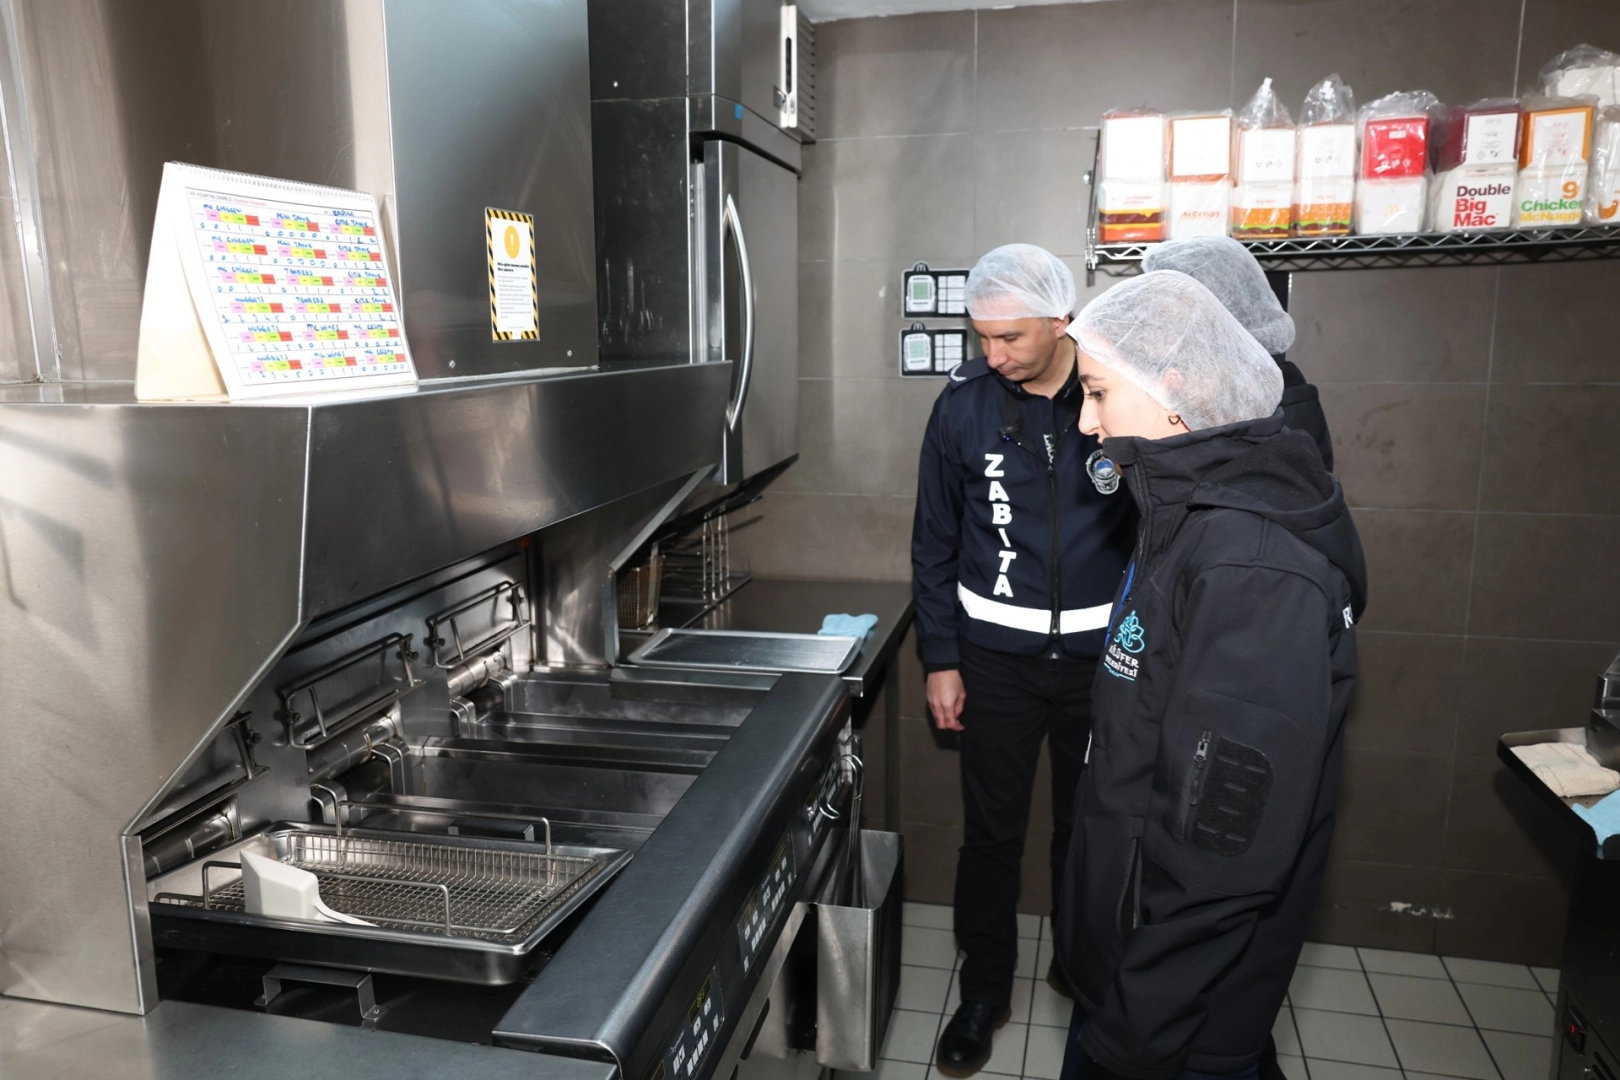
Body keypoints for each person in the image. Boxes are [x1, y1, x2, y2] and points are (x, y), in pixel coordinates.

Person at [1054, 271, 1366, 1080]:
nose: (1086, 421)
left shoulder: (1252, 568)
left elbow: (1223, 847)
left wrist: (1136, 1028)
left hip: (1171, 1017)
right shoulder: (1184, 515)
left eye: (1097, 392)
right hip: (1132, 969)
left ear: (1176, 392)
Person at [911, 244, 1136, 1077]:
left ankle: (1080, 966)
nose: (993, 353)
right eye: (982, 337)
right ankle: (984, 991)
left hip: (1100, 663)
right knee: (991, 835)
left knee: (1090, 831)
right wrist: (941, 657)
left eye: (1009, 337)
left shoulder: (1115, 394)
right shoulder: (963, 406)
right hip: (993, 660)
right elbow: (934, 540)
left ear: (1060, 321)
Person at [1141, 237, 1334, 470]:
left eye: (1165, 307)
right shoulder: (1254, 378)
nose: (1154, 320)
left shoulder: (1258, 403)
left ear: (1213, 309)